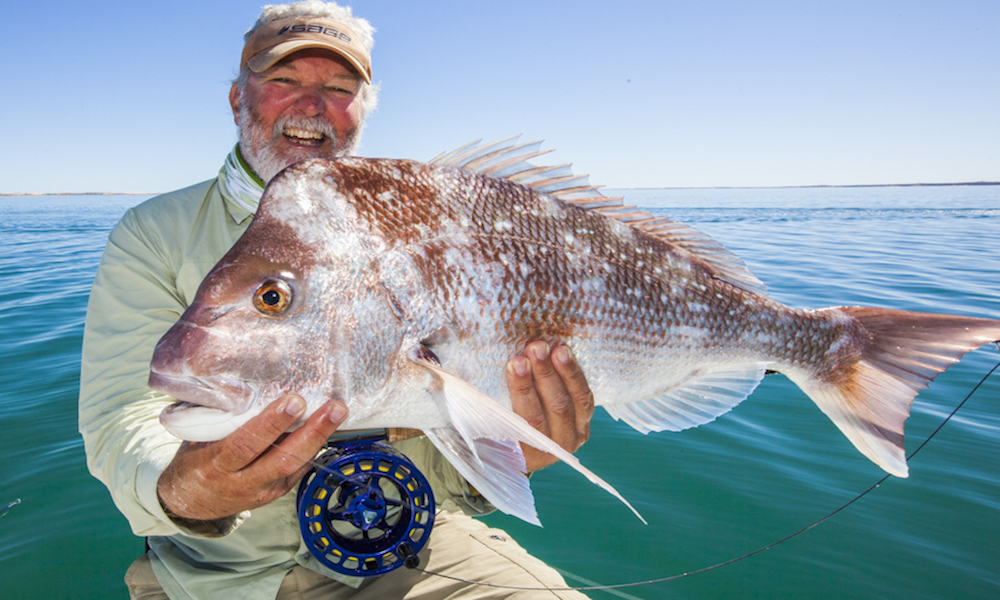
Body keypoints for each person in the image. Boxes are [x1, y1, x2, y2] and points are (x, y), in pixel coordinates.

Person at [79, 2, 595, 598]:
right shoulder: (153, 231)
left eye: (338, 87)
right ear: (236, 98)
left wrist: (518, 450)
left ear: (362, 111)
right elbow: (122, 416)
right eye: (283, 80)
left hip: (414, 545)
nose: (310, 103)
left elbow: (452, 430)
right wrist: (184, 490)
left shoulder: (416, 212)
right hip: (223, 571)